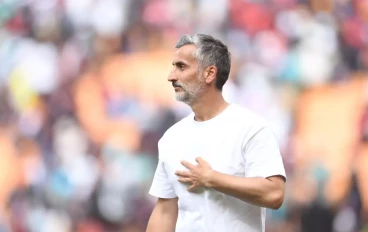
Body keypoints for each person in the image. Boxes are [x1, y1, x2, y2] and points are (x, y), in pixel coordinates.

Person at [146, 33, 286, 232]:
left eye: (181, 66)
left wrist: (212, 179)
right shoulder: (171, 138)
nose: (171, 76)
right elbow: (165, 211)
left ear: (209, 73)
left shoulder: (251, 127)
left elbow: (274, 194)